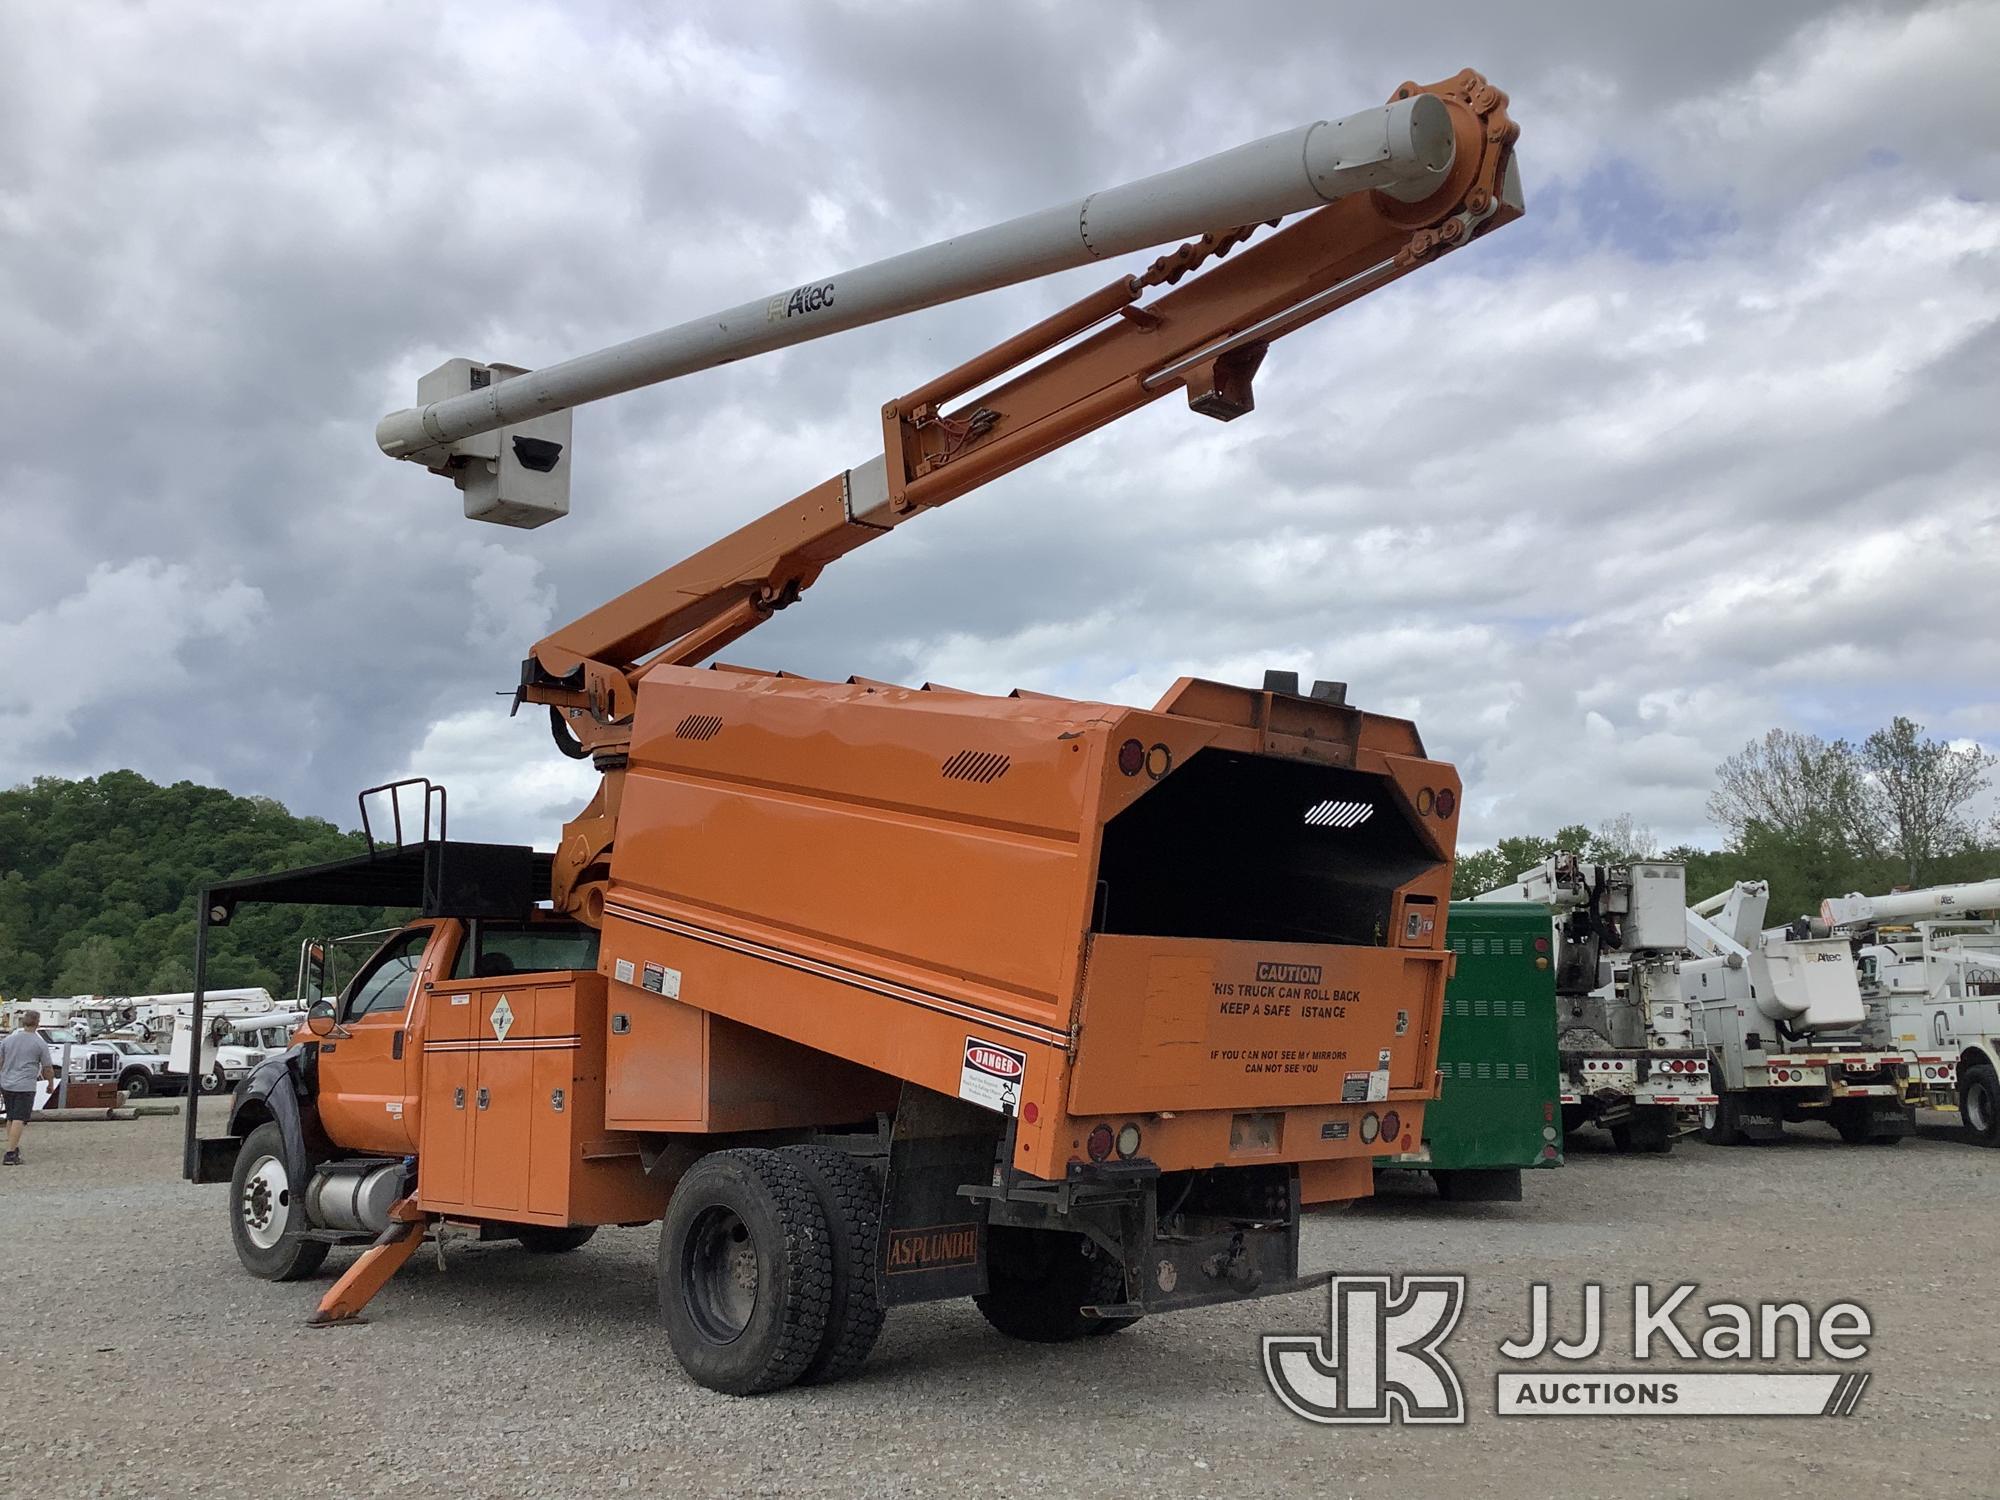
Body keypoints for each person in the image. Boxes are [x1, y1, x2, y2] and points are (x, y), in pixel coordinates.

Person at [2, 1009, 59, 1165]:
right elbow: (47, 1068)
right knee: (20, 1118)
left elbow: (1, 1061)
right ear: (37, 1023)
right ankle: (10, 1153)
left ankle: (13, 1145)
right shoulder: (39, 1043)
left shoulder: (8, 1040)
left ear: (23, 1022)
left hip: (6, 1083)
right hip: (25, 1085)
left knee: (11, 1116)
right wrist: (50, 1084)